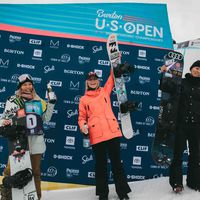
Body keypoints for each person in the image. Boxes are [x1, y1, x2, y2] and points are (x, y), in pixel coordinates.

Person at [0, 74, 56, 200]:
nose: (27, 87)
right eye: (24, 84)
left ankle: (38, 197)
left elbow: (46, 118)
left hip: (36, 142)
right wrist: (4, 122)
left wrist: (51, 103)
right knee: (9, 171)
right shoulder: (13, 100)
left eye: (30, 84)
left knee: (35, 172)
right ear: (19, 87)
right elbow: (4, 117)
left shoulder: (40, 101)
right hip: (18, 141)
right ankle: (6, 196)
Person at [78, 70, 131, 200]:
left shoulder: (105, 91)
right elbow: (81, 117)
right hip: (96, 135)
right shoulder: (83, 99)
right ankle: (103, 195)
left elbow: (112, 78)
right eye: (90, 79)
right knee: (101, 167)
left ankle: (122, 193)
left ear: (98, 80)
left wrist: (114, 62)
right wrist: (83, 125)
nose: (92, 81)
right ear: (87, 82)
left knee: (117, 164)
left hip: (112, 132)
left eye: (94, 79)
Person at [162, 60, 200, 193]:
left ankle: (194, 182)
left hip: (196, 126)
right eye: (196, 68)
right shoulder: (181, 82)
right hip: (180, 124)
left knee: (196, 155)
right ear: (191, 69)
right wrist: (164, 73)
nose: (198, 70)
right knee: (177, 154)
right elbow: (165, 86)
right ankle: (177, 182)